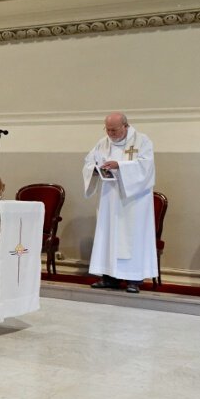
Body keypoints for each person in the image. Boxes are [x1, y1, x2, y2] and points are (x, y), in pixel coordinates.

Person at [82, 112, 157, 293]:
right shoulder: (102, 142)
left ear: (125, 126)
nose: (111, 133)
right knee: (108, 235)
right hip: (109, 198)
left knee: (132, 237)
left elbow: (146, 167)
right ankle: (109, 277)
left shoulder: (142, 141)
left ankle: (133, 279)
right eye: (107, 129)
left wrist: (120, 166)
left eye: (114, 129)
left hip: (133, 200)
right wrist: (93, 169)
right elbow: (88, 161)